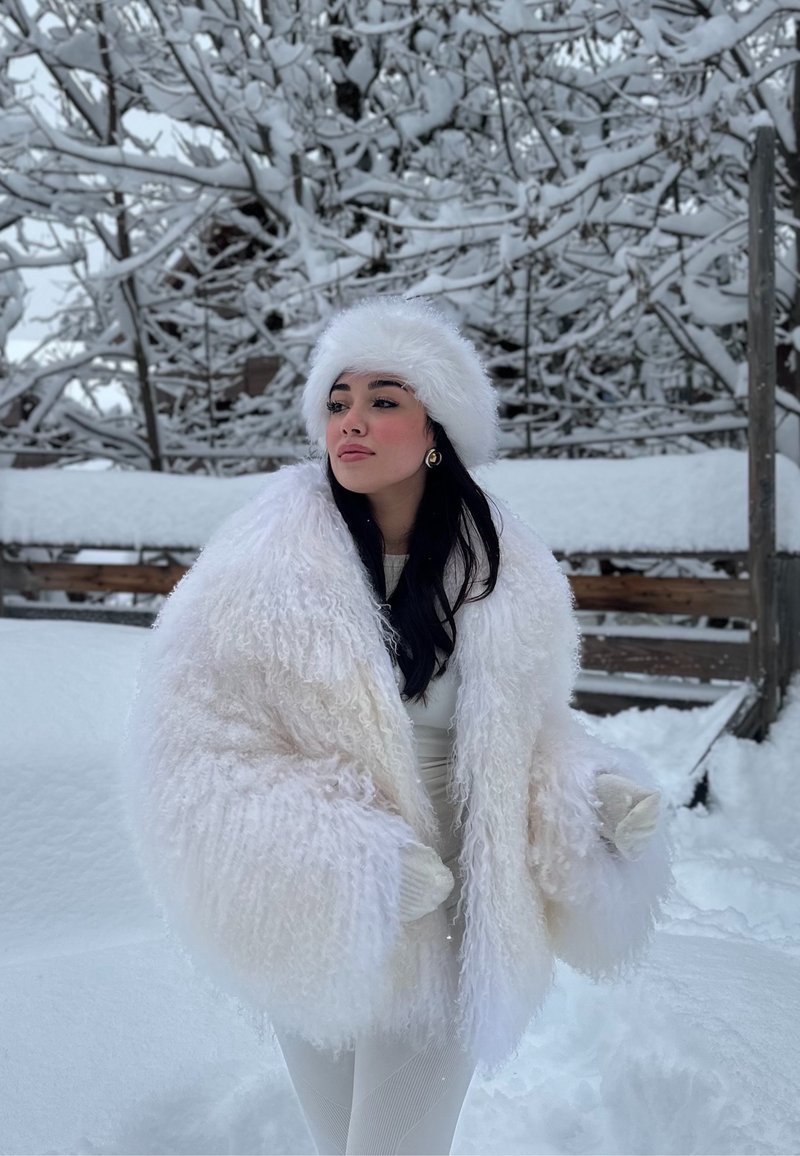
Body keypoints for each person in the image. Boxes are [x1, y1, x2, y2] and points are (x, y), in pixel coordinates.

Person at [122, 296, 672, 1156]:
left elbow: (531, 733)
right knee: (339, 1140)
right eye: (337, 401)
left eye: (384, 400)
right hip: (318, 904)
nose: (352, 422)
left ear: (437, 429)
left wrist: (590, 793)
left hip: (453, 901)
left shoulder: (507, 570)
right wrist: (351, 862)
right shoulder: (257, 567)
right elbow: (195, 754)